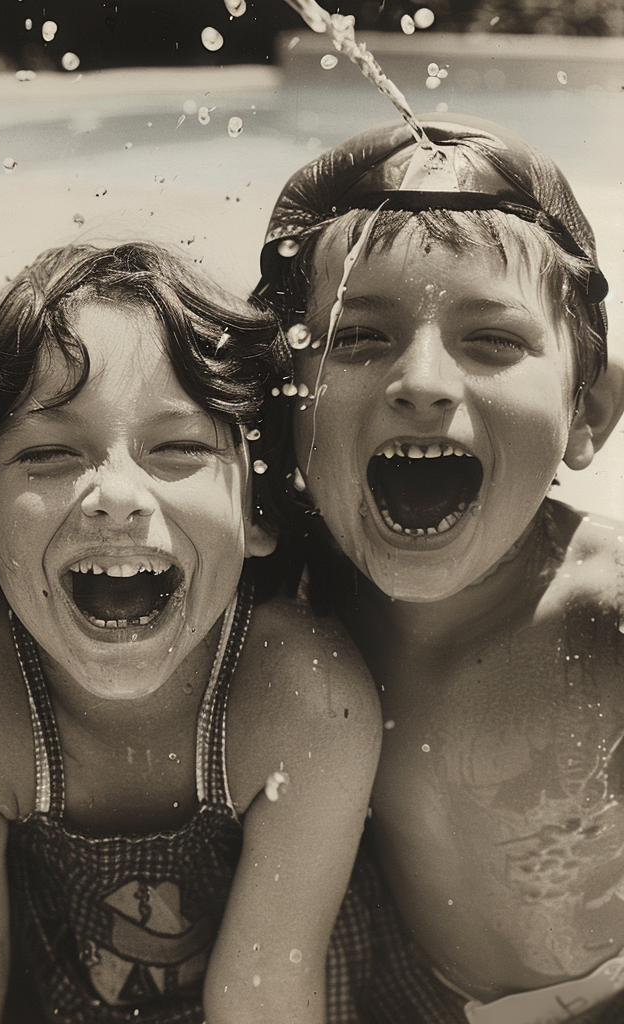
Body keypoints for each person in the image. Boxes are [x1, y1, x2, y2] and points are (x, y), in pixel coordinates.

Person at [0, 240, 381, 1024]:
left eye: (180, 448)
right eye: (48, 454)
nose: (116, 495)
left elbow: (267, 994)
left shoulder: (305, 697)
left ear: (255, 510)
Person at [254, 114, 624, 1023]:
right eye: (358, 338)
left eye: (492, 341)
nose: (420, 379)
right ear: (283, 408)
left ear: (590, 411)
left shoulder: (603, 614)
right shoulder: (283, 608)